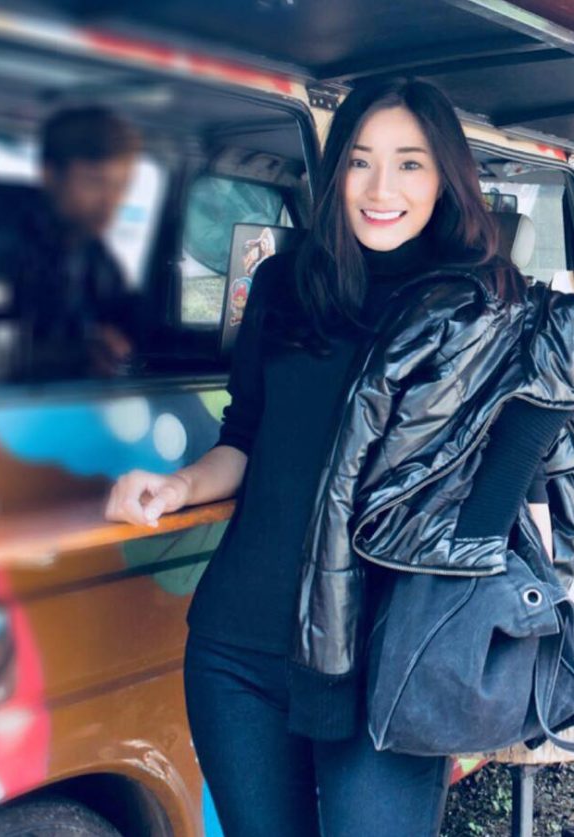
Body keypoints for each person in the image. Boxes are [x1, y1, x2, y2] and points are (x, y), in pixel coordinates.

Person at [105, 78, 574, 836]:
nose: (380, 188)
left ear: (447, 178)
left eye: (410, 163)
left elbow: (494, 509)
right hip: (240, 648)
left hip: (391, 663)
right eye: (359, 161)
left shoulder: (492, 311)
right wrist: (178, 484)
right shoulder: (285, 284)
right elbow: (246, 436)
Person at [0, 105, 142, 378]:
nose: (110, 201)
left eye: (120, 185)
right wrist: (72, 355)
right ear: (50, 174)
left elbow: (128, 323)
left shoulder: (96, 256)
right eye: (94, 182)